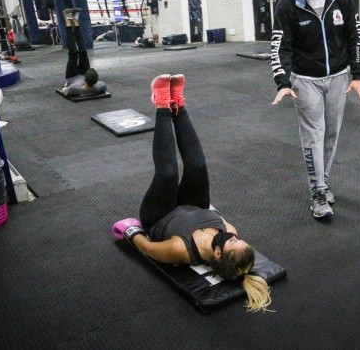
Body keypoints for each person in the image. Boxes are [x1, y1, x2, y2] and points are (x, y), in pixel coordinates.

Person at [112, 74, 272, 313]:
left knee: (167, 174)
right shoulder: (229, 233)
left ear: (217, 253)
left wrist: (132, 231)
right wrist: (210, 211)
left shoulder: (180, 251)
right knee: (197, 167)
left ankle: (162, 104)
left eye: (233, 242)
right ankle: (178, 103)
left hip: (160, 214)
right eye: (238, 239)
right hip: (194, 206)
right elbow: (218, 218)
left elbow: (146, 248)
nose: (233, 235)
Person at [270, 0, 360, 220]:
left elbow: (355, 35)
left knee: (332, 133)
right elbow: (281, 46)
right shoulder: (287, 3)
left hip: (339, 75)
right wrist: (282, 81)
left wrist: (358, 74)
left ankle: (323, 182)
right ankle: (316, 191)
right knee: (314, 134)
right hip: (305, 79)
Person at [60, 8, 107, 96]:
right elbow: (103, 85)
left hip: (72, 75)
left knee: (73, 52)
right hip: (83, 72)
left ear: (85, 80)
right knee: (83, 51)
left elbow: (64, 90)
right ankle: (75, 20)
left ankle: (68, 20)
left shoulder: (75, 88)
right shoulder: (99, 86)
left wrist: (66, 85)